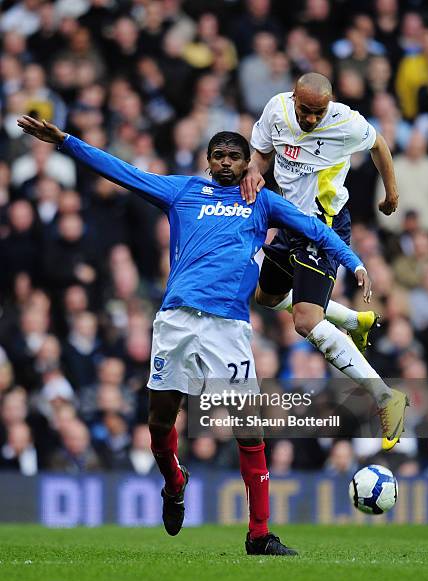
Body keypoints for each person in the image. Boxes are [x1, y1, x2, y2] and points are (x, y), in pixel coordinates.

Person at [18, 114, 369, 556]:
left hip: (229, 327)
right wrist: (66, 142)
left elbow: (316, 228)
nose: (226, 163)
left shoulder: (263, 202)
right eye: (218, 156)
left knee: (249, 429)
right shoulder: (182, 191)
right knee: (160, 422)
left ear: (247, 164)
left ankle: (259, 534)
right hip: (176, 321)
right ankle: (174, 481)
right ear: (207, 161)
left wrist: (353, 262)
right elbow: (123, 172)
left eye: (234, 157)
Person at [240, 72, 407, 451]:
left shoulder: (344, 121)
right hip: (288, 222)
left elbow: (378, 143)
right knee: (265, 298)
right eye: (306, 110)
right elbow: (264, 151)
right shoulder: (277, 110)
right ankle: (352, 319)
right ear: (293, 98)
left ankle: (386, 397)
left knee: (305, 321)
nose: (312, 119)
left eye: (319, 112)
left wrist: (391, 192)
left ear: (328, 106)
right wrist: (253, 168)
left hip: (322, 225)